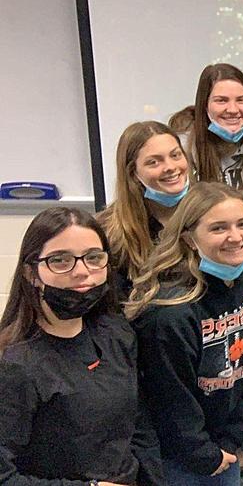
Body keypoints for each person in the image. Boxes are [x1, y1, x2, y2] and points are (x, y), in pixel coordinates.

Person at [0, 207, 160, 485]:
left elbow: (139, 428)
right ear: (31, 273)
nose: (82, 272)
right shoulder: (14, 365)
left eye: (94, 258)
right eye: (60, 261)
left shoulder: (117, 334)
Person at [128, 182, 243, 485]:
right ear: (190, 239)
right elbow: (171, 400)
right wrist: (206, 454)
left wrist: (232, 439)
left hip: (225, 444)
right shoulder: (170, 314)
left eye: (242, 224)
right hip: (179, 456)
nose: (235, 237)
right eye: (218, 228)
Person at [99, 121, 192, 296]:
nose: (171, 167)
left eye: (176, 155)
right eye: (154, 162)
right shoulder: (110, 231)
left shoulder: (206, 212)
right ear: (133, 173)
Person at [187, 63, 243, 189]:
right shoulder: (183, 150)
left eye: (241, 100)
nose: (233, 109)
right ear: (204, 104)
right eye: (221, 100)